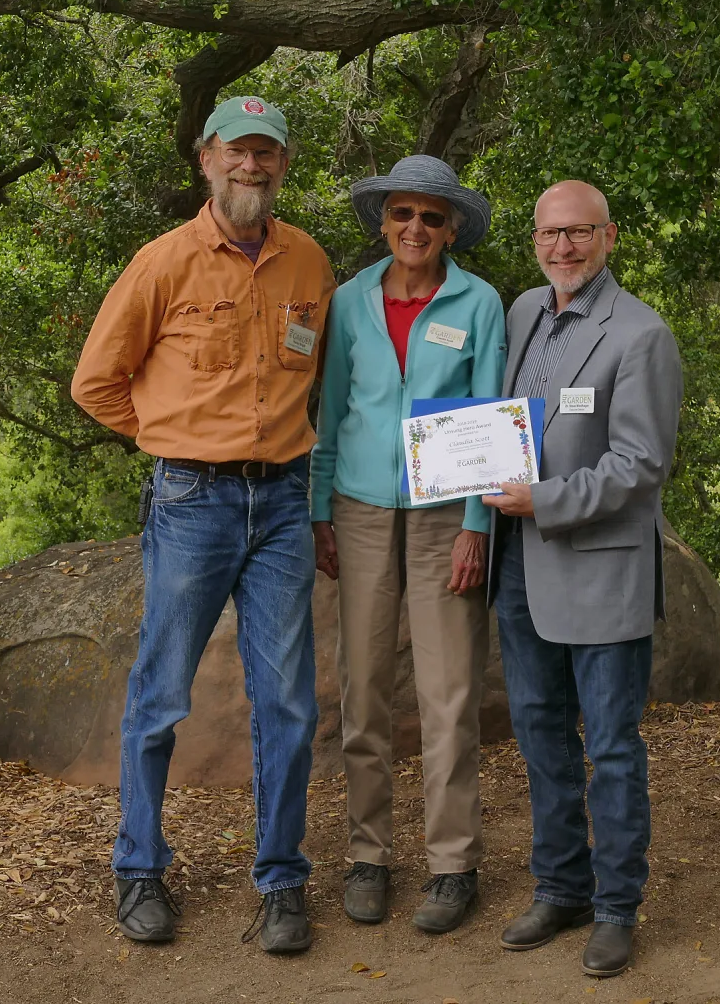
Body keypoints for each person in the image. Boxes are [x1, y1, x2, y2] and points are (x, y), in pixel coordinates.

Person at [70, 96, 335, 955]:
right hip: (192, 504)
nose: (251, 166)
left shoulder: (309, 262)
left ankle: (282, 880)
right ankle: (139, 867)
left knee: (288, 702)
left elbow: (320, 381)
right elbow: (95, 383)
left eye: (267, 153)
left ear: (283, 165)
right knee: (160, 696)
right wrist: (171, 441)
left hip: (284, 503)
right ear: (207, 159)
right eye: (237, 151)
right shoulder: (163, 262)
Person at [482, 180, 682, 978]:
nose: (562, 247)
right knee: (540, 735)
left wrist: (545, 500)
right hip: (520, 567)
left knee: (612, 746)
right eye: (549, 234)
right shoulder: (523, 311)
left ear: (609, 236)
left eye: (578, 233)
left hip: (600, 570)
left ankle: (616, 908)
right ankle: (561, 887)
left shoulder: (641, 334)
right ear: (534, 240)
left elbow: (640, 465)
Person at [310, 155, 506, 933]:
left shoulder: (478, 302)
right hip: (358, 511)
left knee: (449, 696)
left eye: (431, 216)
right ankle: (368, 856)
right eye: (402, 214)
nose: (415, 228)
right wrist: (320, 510)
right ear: (383, 222)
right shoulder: (349, 301)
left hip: (443, 516)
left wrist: (476, 526)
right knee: (362, 693)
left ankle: (453, 866)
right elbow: (330, 413)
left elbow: (489, 415)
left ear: (451, 228)